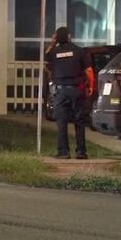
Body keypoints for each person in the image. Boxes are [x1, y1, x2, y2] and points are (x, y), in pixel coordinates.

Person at [45, 26, 95, 159]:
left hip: (60, 92)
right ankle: (81, 152)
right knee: (79, 121)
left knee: (61, 122)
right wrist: (90, 86)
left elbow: (46, 61)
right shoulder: (79, 51)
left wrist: (52, 43)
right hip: (77, 90)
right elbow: (89, 71)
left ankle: (63, 152)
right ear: (69, 37)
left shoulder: (54, 52)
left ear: (56, 38)